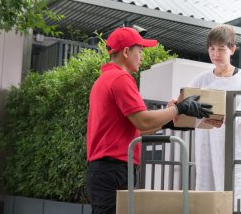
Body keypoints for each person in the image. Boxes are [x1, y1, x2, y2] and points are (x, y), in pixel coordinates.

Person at [86, 27, 212, 214]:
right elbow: (143, 121)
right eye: (140, 51)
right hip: (113, 170)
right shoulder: (120, 79)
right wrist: (179, 108)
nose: (142, 56)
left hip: (106, 170)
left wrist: (171, 121)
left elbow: (136, 129)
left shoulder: (105, 79)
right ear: (127, 52)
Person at [190, 24, 241, 211]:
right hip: (207, 149)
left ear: (232, 49)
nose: (216, 54)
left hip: (236, 149)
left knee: (238, 197)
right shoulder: (201, 79)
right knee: (207, 198)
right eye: (212, 48)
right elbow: (186, 104)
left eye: (221, 49)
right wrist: (177, 104)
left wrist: (222, 117)